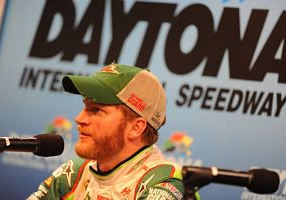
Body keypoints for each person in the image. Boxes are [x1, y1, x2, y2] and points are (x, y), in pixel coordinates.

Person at [28, 63, 199, 200]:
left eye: (96, 110)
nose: (79, 118)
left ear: (136, 127)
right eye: (85, 107)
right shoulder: (77, 171)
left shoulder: (165, 183)